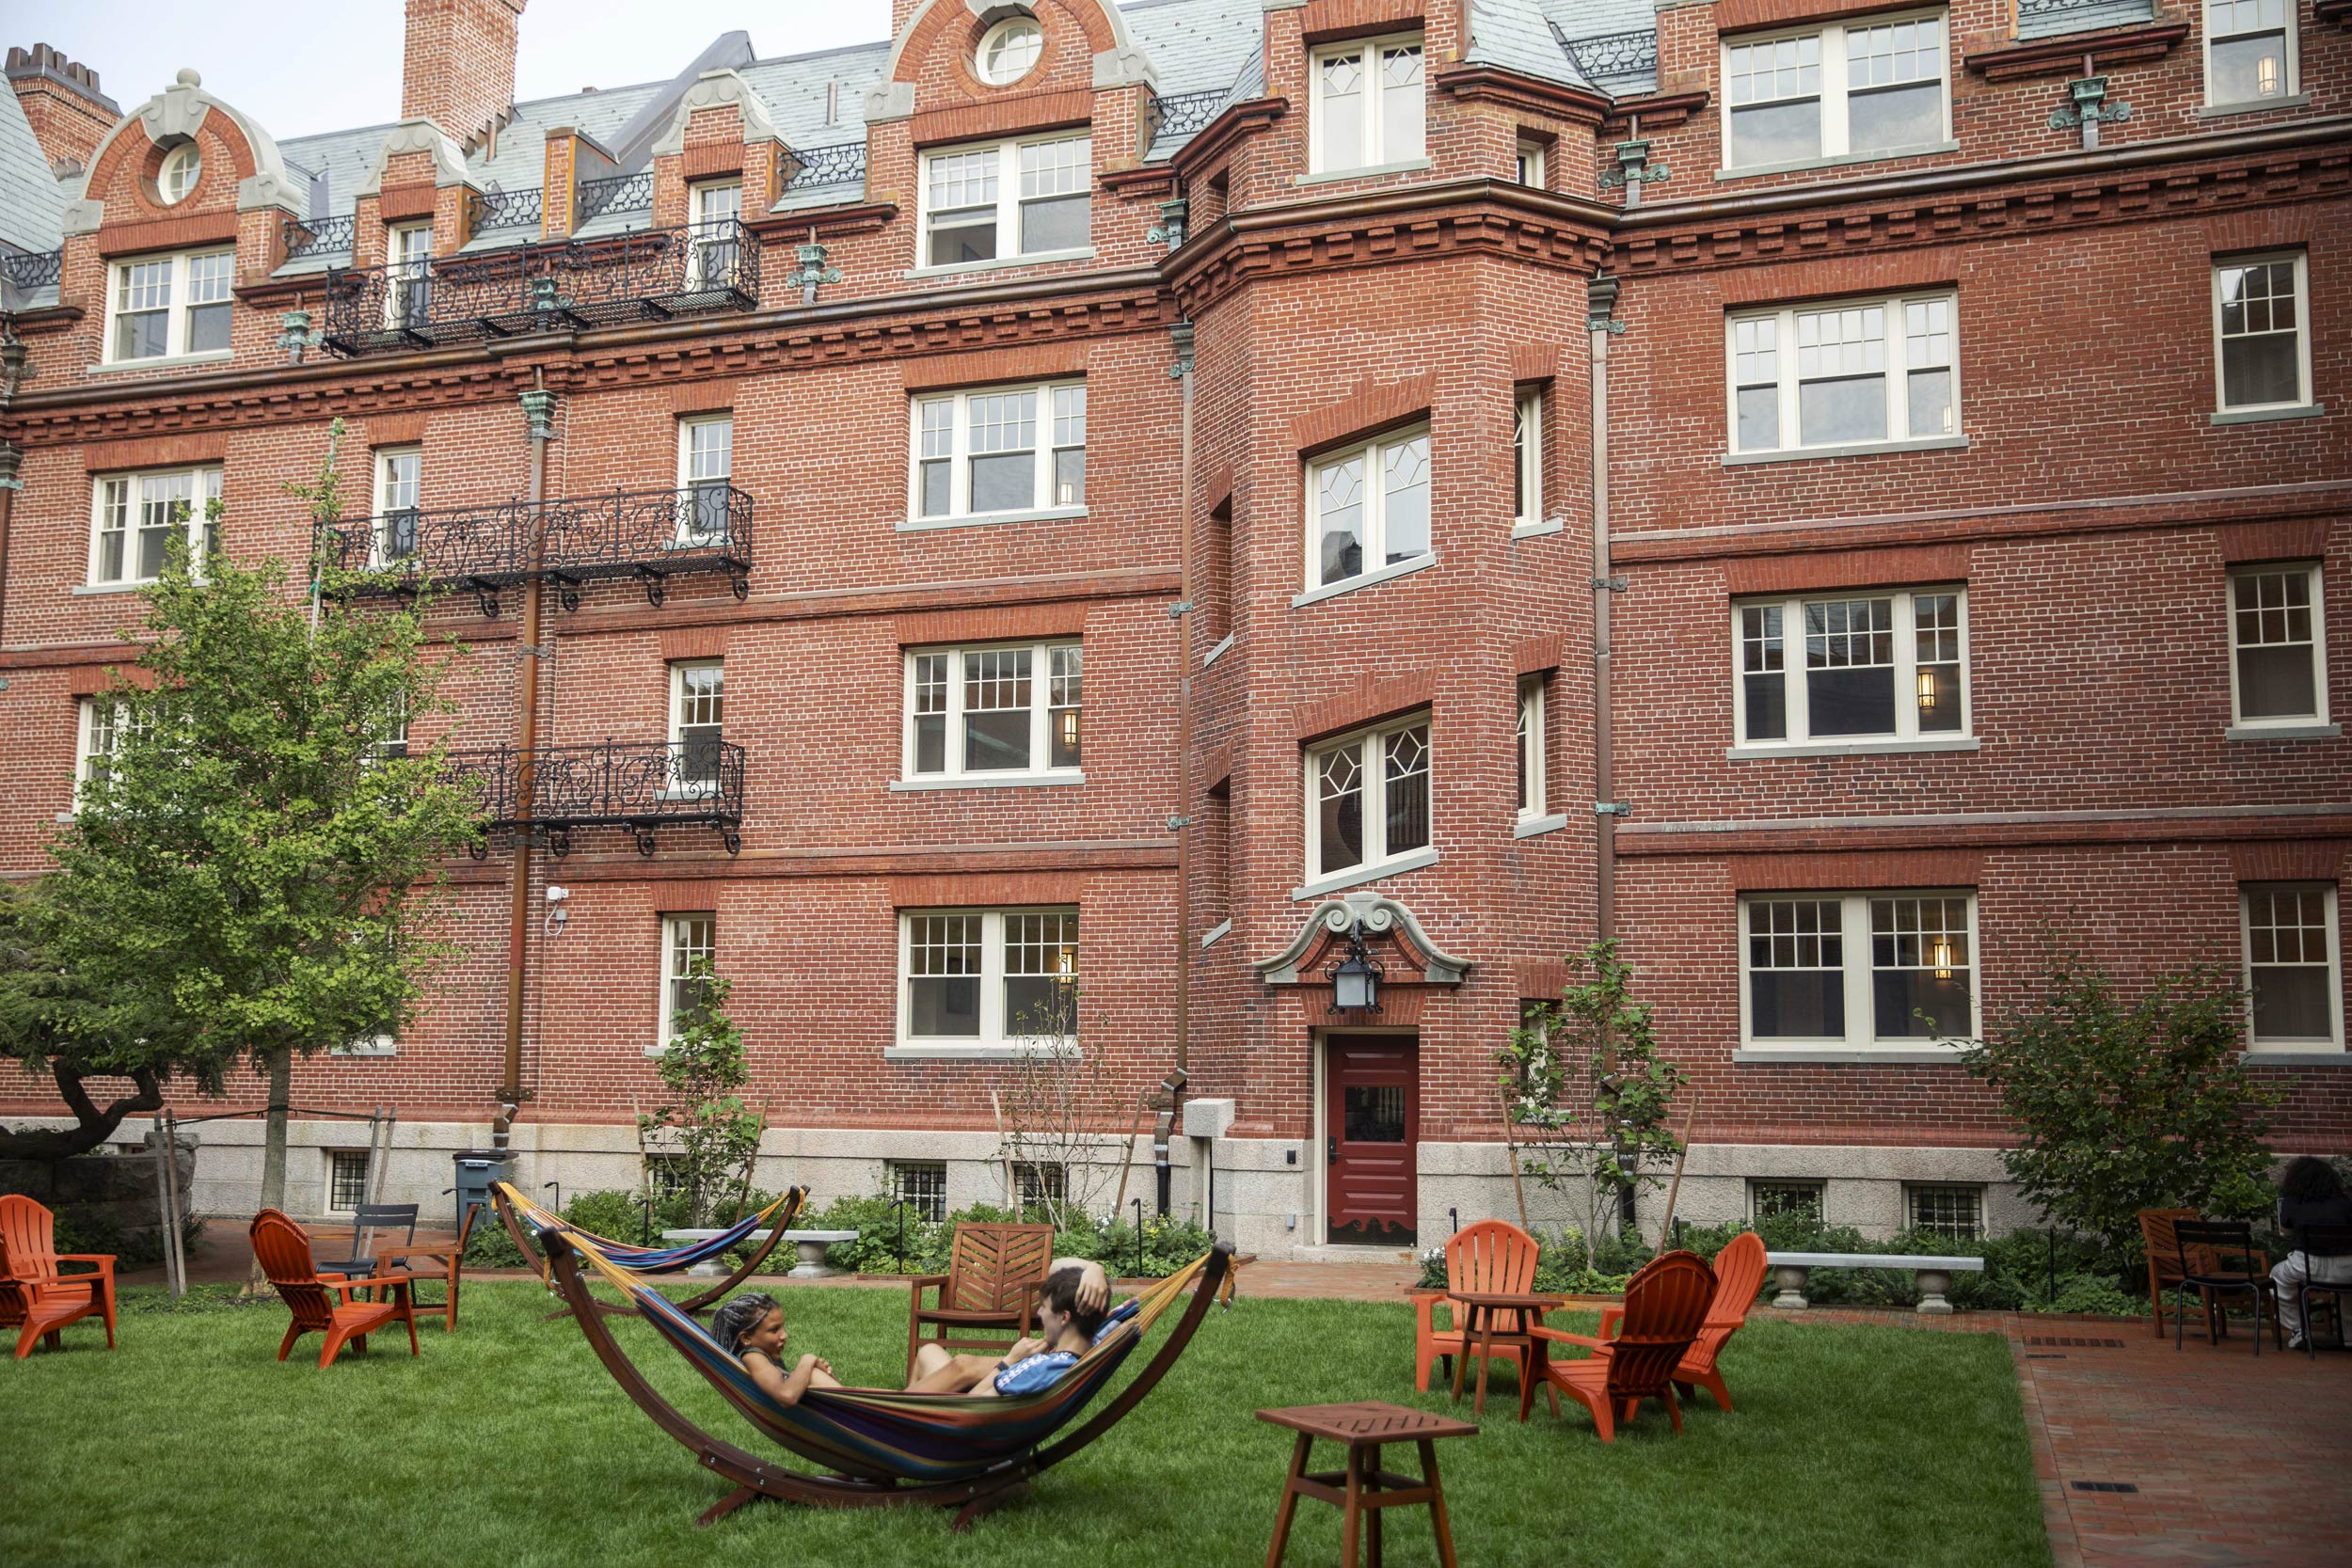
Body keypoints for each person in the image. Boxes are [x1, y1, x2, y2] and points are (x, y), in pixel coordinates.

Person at [905, 1259, 1114, 1396]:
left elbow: (969, 1409)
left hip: (957, 1421)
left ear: (1064, 1318)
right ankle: (896, 1411)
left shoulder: (1040, 1368)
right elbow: (1056, 1267)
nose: (1039, 1313)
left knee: (961, 1366)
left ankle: (897, 1418)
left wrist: (1010, 1361)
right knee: (929, 1352)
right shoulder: (1091, 1333)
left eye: (1043, 1307)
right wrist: (1096, 1269)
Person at [2270, 1156, 2352, 1350]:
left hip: (2308, 1264)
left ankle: (2299, 1328)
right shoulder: (2346, 1203)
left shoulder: (2292, 1203)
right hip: (2348, 1265)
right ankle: (2350, 1337)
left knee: (2277, 1278)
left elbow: (2287, 1231)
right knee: (2349, 1293)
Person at [711, 1291, 841, 1406]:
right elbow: (787, 1396)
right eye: (774, 1330)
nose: (784, 1335)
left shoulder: (765, 1359)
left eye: (782, 1327)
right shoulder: (752, 1357)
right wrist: (807, 1361)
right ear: (746, 1338)